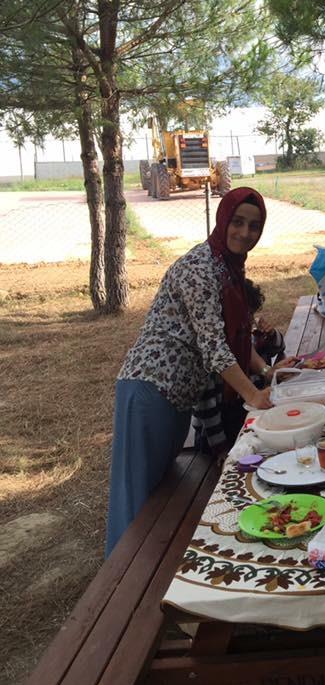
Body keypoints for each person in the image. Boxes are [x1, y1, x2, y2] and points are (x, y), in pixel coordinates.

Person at [105, 187, 276, 556]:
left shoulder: (228, 268)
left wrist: (267, 370)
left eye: (254, 226)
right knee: (136, 497)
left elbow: (234, 335)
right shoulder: (199, 267)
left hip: (179, 396)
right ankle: (118, 578)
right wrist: (253, 395)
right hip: (151, 389)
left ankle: (150, 570)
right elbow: (214, 345)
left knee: (159, 491)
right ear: (222, 220)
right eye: (238, 222)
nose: (245, 233)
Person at [192, 278, 291, 454]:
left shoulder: (248, 340)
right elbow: (207, 411)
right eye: (245, 316)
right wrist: (221, 450)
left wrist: (271, 334)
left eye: (251, 315)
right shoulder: (212, 356)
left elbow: (278, 347)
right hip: (216, 434)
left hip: (248, 417)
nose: (250, 321)